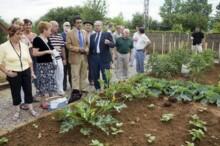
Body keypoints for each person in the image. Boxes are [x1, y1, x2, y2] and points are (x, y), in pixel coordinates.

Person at [0, 25, 38, 120]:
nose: (20, 36)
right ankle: (17, 111)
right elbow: (0, 63)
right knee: (15, 92)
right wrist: (7, 72)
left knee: (28, 90)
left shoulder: (24, 46)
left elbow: (29, 61)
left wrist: (32, 72)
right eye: (18, 34)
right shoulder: (3, 47)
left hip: (26, 71)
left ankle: (31, 108)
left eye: (21, 34)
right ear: (11, 34)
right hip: (13, 73)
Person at [32, 21, 56, 109]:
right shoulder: (37, 39)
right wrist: (46, 51)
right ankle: (43, 103)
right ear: (44, 30)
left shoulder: (48, 39)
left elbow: (52, 49)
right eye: (49, 30)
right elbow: (34, 53)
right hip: (42, 66)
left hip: (50, 65)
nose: (51, 32)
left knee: (50, 83)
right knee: (43, 84)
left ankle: (50, 101)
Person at [66, 16, 89, 103]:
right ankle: (76, 92)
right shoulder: (70, 33)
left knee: (84, 74)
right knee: (75, 75)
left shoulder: (85, 32)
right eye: (78, 22)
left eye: (80, 22)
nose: (79, 24)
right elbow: (68, 46)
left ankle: (83, 90)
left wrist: (87, 49)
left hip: (84, 57)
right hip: (75, 57)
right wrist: (79, 49)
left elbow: (87, 44)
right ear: (74, 24)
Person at [89, 20, 115, 90]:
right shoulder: (92, 36)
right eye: (95, 26)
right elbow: (90, 48)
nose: (97, 27)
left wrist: (109, 43)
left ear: (102, 26)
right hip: (94, 58)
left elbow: (113, 45)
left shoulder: (107, 34)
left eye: (98, 25)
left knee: (106, 75)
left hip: (104, 58)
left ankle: (106, 89)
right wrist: (90, 59)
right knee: (95, 74)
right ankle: (97, 88)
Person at [49, 21, 66, 96]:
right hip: (50, 58)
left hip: (59, 58)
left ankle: (60, 90)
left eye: (58, 26)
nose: (57, 27)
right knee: (51, 75)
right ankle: (51, 91)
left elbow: (62, 48)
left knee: (60, 74)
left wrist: (64, 58)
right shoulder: (47, 36)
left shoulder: (59, 36)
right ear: (51, 26)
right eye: (56, 26)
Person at [83, 20, 95, 85]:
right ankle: (83, 80)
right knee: (83, 66)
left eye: (89, 25)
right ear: (84, 26)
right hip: (82, 51)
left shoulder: (94, 34)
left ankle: (91, 80)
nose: (88, 26)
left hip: (92, 52)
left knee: (91, 66)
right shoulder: (81, 33)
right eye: (87, 25)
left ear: (92, 27)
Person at [61, 21, 72, 91]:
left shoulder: (72, 34)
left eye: (68, 25)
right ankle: (64, 86)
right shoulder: (60, 35)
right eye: (65, 25)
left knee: (71, 72)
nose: (67, 27)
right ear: (63, 27)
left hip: (71, 56)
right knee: (64, 72)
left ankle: (72, 85)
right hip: (64, 56)